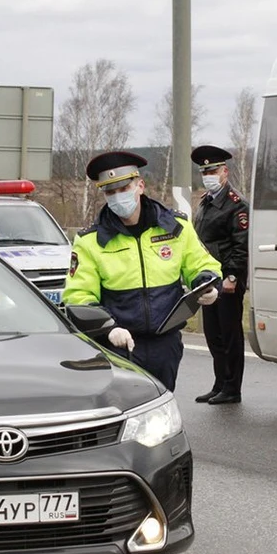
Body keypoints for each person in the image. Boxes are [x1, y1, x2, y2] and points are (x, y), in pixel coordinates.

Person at [63, 151, 222, 392]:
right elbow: (78, 296)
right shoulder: (90, 241)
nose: (117, 197)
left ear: (140, 185)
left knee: (162, 408)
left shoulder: (175, 227)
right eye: (110, 192)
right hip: (118, 345)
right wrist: (108, 328)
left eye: (123, 188)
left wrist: (207, 283)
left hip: (165, 343)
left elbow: (202, 264)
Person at [190, 145, 249, 405]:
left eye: (212, 170)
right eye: (204, 171)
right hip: (210, 278)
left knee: (230, 334)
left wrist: (233, 278)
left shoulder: (236, 204)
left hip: (227, 278)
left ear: (225, 172)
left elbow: (241, 244)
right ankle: (219, 382)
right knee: (213, 334)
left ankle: (232, 387)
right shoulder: (207, 201)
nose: (208, 175)